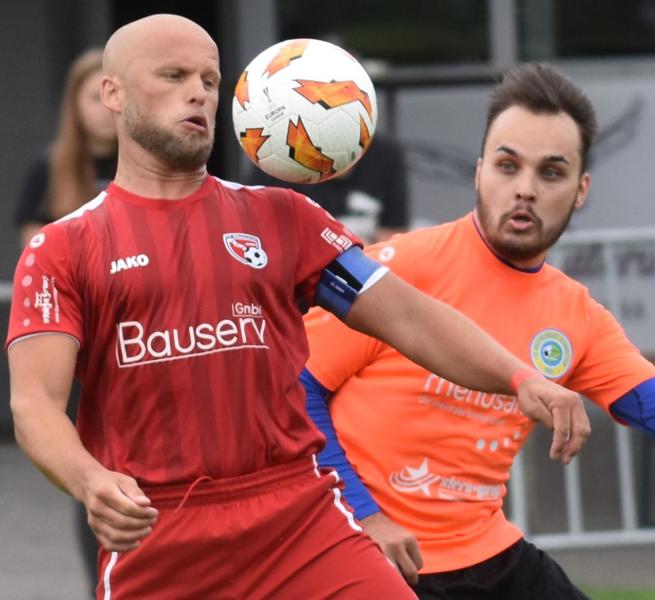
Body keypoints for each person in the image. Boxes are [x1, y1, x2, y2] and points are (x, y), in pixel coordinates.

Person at [7, 15, 591, 599]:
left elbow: (411, 315)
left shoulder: (283, 218)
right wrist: (90, 481)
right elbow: (35, 403)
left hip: (298, 520)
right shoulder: (62, 248)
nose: (199, 93)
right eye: (174, 74)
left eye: (211, 80)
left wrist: (518, 376)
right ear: (113, 93)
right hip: (161, 535)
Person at [301, 63, 655, 600]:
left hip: (487, 553)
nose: (524, 189)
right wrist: (365, 517)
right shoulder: (394, 272)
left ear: (581, 190)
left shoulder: (575, 314)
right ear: (480, 170)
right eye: (508, 166)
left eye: (551, 172)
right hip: (369, 553)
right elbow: (296, 391)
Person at [13, 46, 118, 591]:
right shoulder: (49, 170)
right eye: (89, 94)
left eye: (110, 92)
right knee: (92, 474)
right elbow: (41, 264)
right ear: (73, 103)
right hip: (79, 350)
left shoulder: (152, 165)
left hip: (141, 341)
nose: (102, 108)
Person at [16, 48, 117, 247]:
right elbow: (35, 251)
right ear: (74, 103)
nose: (106, 108)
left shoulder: (147, 165)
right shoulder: (47, 169)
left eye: (113, 95)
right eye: (96, 98)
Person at [248, 134, 410, 243]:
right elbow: (262, 238)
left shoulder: (386, 155)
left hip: (365, 273)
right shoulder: (277, 163)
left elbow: (395, 235)